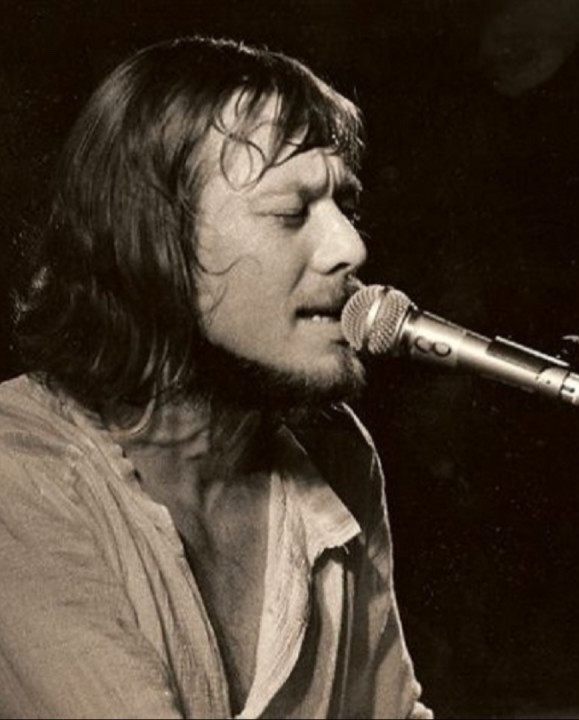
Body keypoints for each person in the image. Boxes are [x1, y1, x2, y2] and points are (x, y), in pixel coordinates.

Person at [0, 36, 432, 719]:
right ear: (152, 243)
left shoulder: (338, 452)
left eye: (345, 207)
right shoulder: (17, 472)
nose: (351, 247)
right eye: (290, 212)